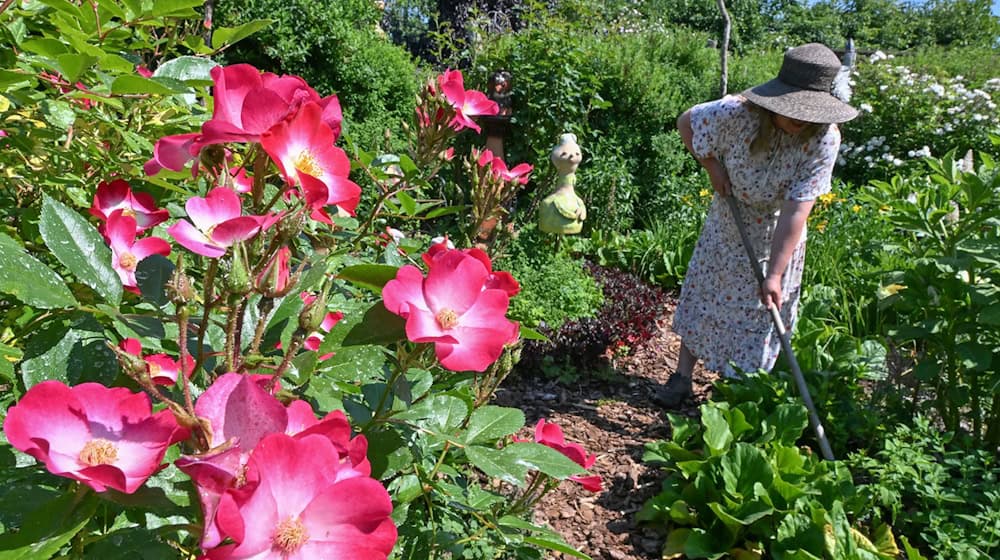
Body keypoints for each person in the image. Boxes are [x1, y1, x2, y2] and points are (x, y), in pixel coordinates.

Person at [656, 43, 859, 407]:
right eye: (795, 110)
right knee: (707, 297)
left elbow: (798, 211)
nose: (802, 121)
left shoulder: (825, 139)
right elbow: (686, 122)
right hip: (728, 224)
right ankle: (682, 377)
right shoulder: (737, 113)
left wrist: (775, 274)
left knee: (762, 315)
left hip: (779, 233)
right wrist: (712, 166)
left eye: (809, 112)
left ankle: (735, 393)